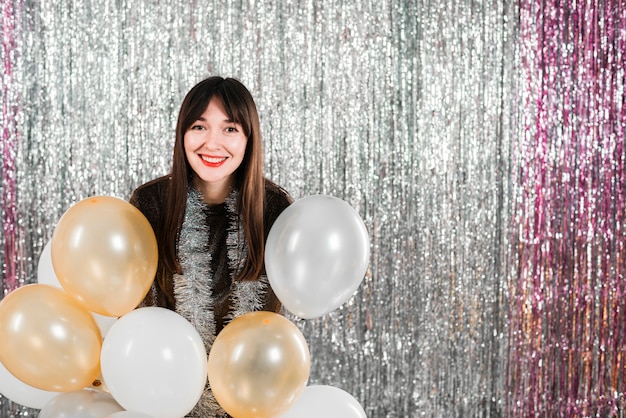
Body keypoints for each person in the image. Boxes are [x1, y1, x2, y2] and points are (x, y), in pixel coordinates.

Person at [129, 76, 292, 417]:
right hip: (162, 394)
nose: (212, 143)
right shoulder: (150, 205)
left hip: (250, 396)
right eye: (200, 126)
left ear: (249, 138)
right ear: (182, 134)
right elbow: (140, 317)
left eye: (230, 129)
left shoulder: (275, 210)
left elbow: (270, 324)